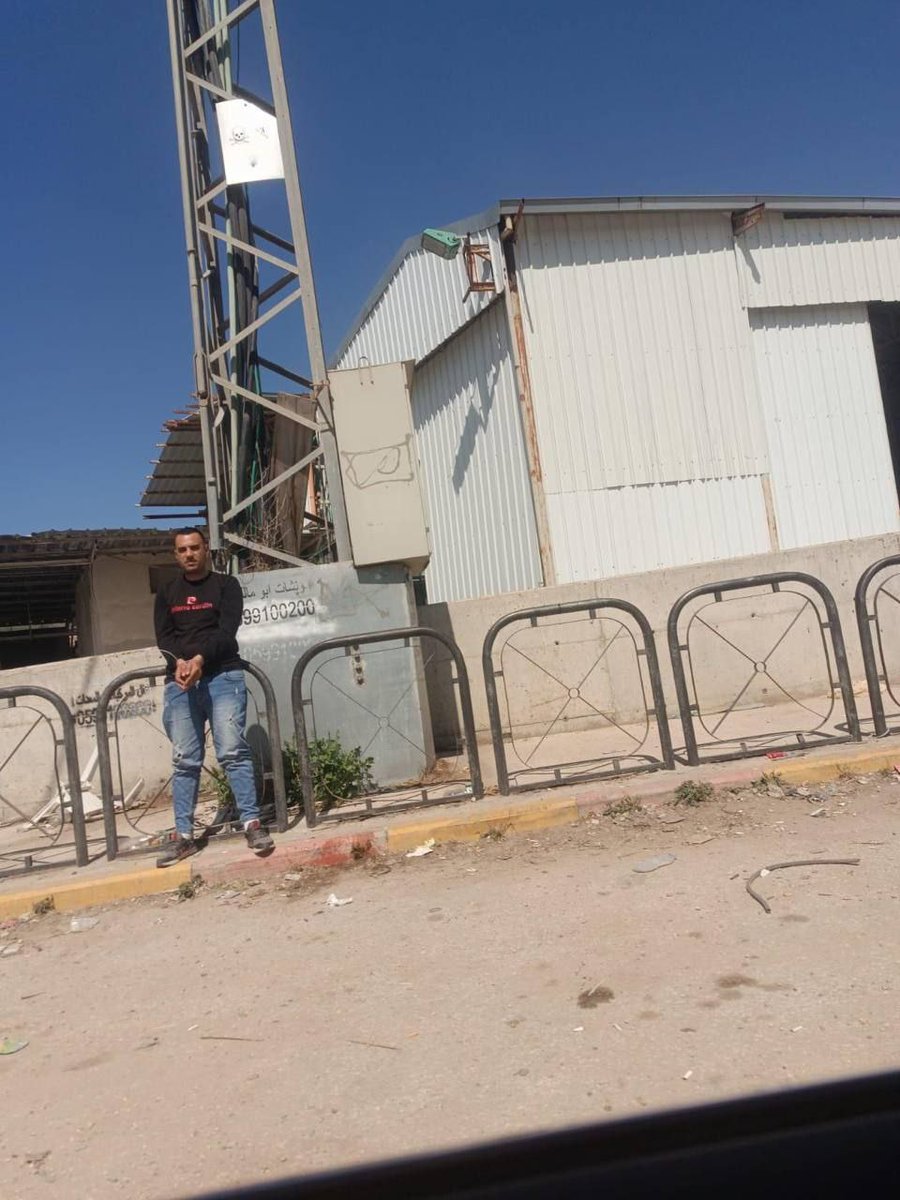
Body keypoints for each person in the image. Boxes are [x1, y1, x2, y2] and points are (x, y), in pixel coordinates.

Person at [153, 527, 274, 867]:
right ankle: (184, 837)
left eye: (194, 547)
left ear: (206, 549)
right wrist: (178, 663)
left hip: (223, 675)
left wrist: (199, 661)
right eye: (182, 550)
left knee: (233, 751)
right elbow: (164, 636)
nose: (189, 554)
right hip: (180, 683)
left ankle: (251, 823)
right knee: (185, 759)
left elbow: (226, 631)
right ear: (175, 554)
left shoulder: (226, 586)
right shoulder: (166, 592)